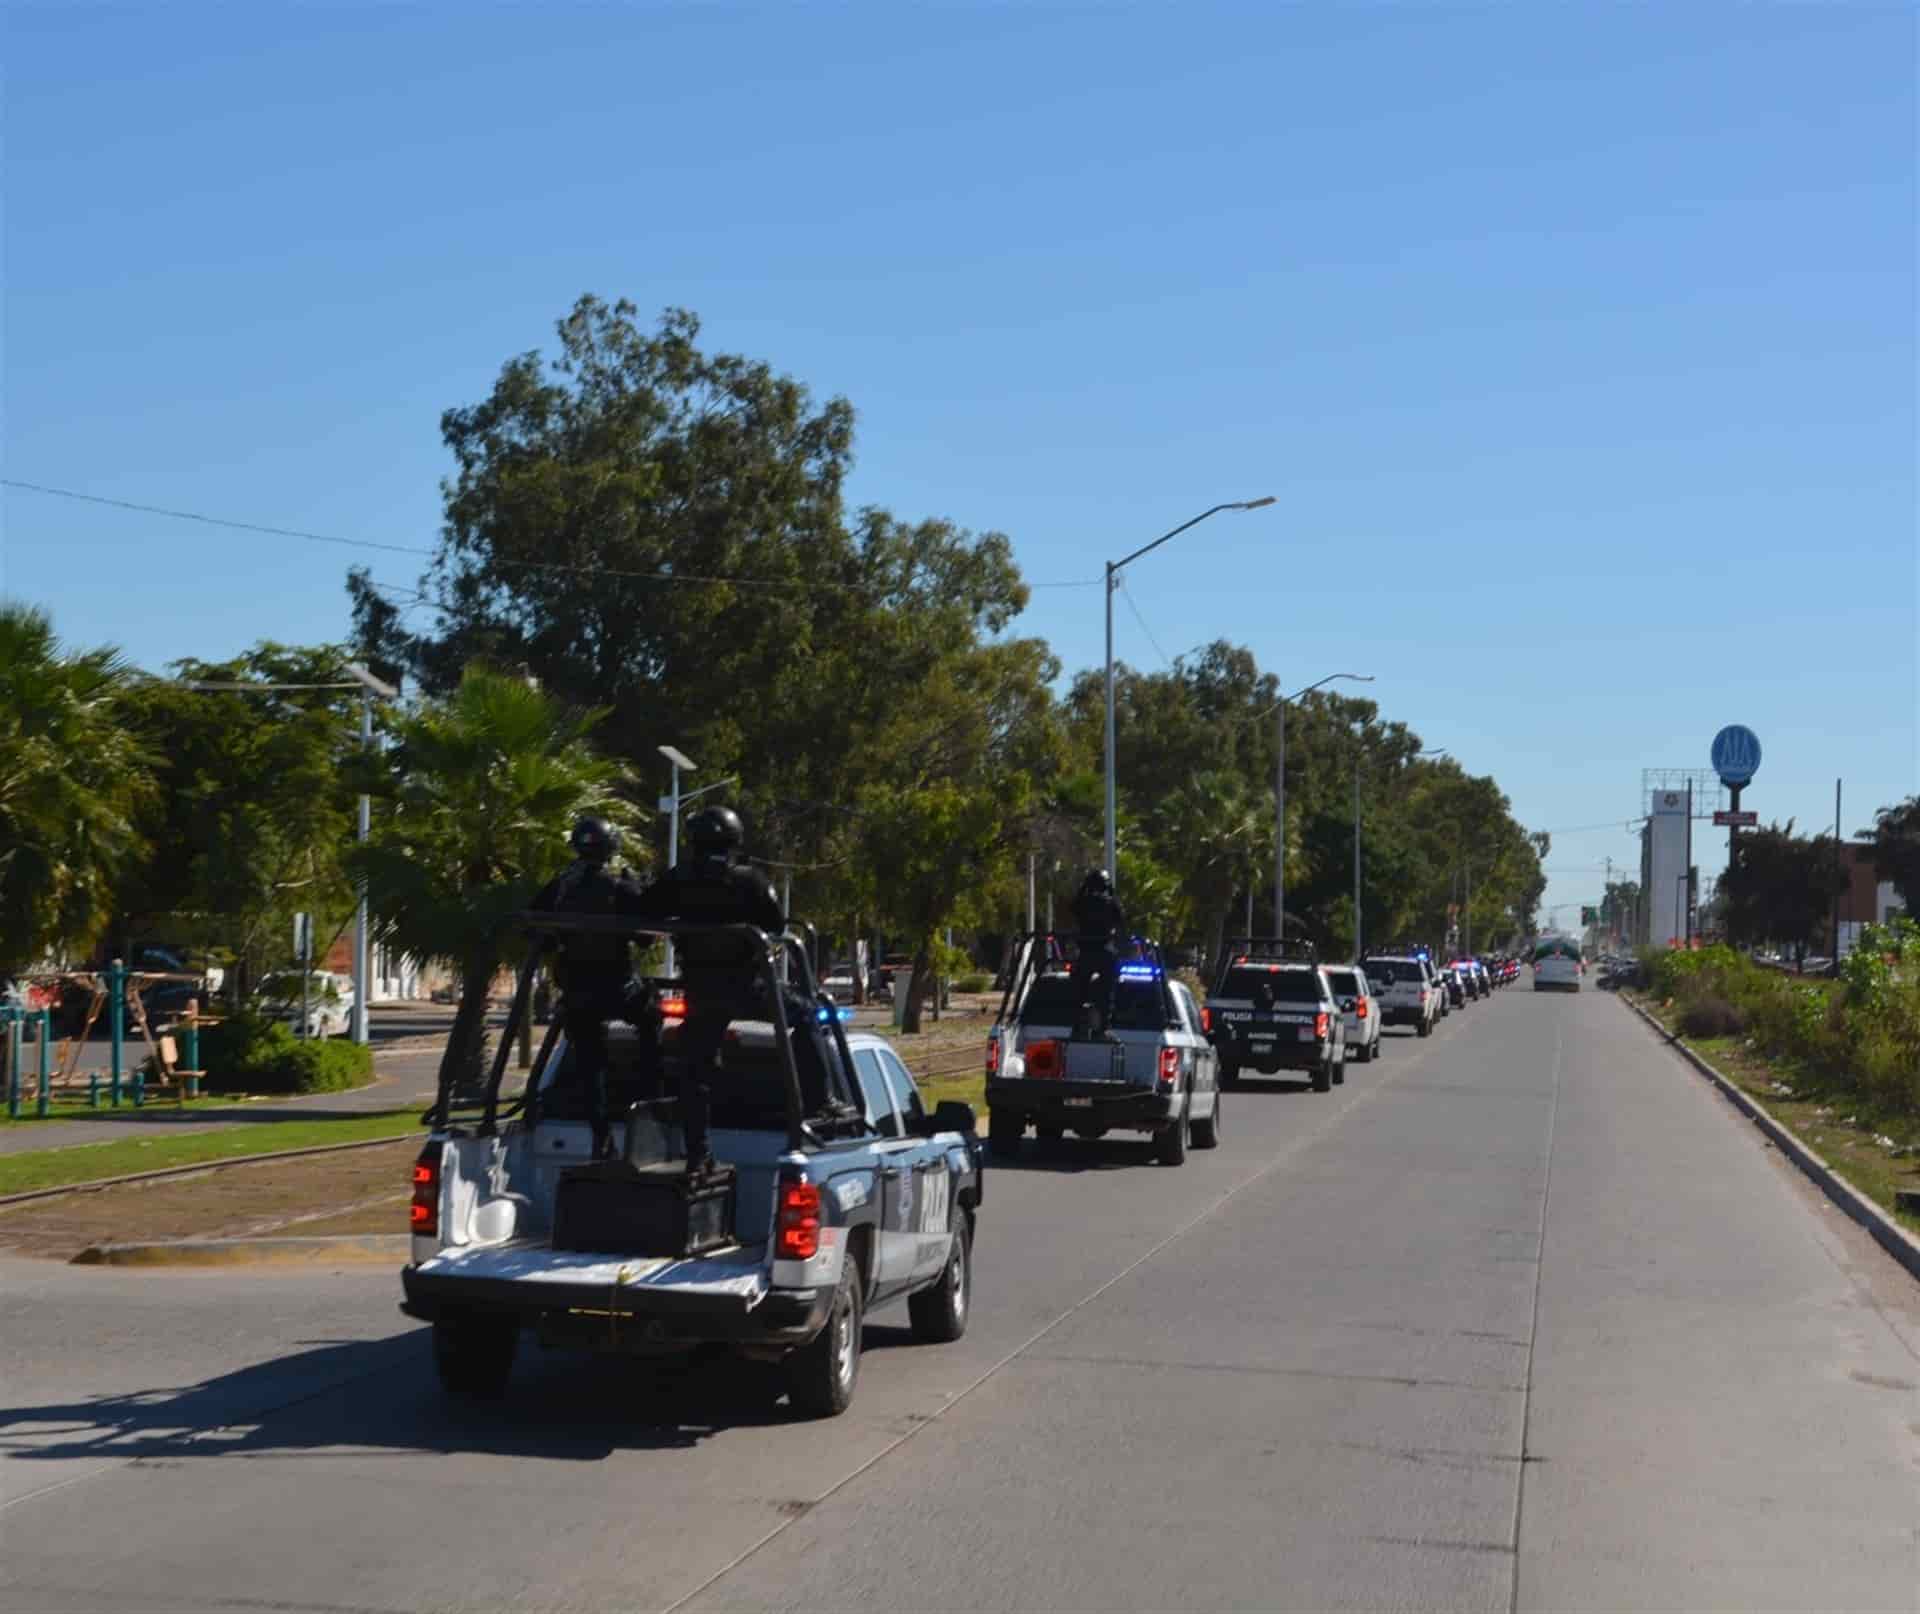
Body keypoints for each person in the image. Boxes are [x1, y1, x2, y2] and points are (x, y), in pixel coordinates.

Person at [631, 805, 784, 1178]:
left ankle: (698, 1153)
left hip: (701, 990)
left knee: (694, 1069)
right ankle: (824, 1101)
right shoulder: (750, 880)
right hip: (747, 988)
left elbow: (642, 916)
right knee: (812, 1017)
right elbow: (776, 923)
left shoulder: (678, 879)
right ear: (735, 839)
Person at [530, 816, 650, 1157]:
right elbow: (644, 937)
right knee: (651, 1018)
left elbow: (534, 929)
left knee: (588, 1061)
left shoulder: (560, 886)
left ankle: (601, 1134)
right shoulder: (619, 886)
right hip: (617, 987)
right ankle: (650, 1097)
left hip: (576, 990)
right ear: (611, 848)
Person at [1068, 868, 1126, 1038]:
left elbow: (1073, 907)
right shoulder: (1109, 903)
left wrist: (1083, 889)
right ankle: (1103, 1027)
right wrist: (1112, 893)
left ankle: (1077, 1025)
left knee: (1079, 991)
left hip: (1086, 952)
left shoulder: (1083, 903)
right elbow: (1120, 916)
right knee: (1107, 992)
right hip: (1103, 952)